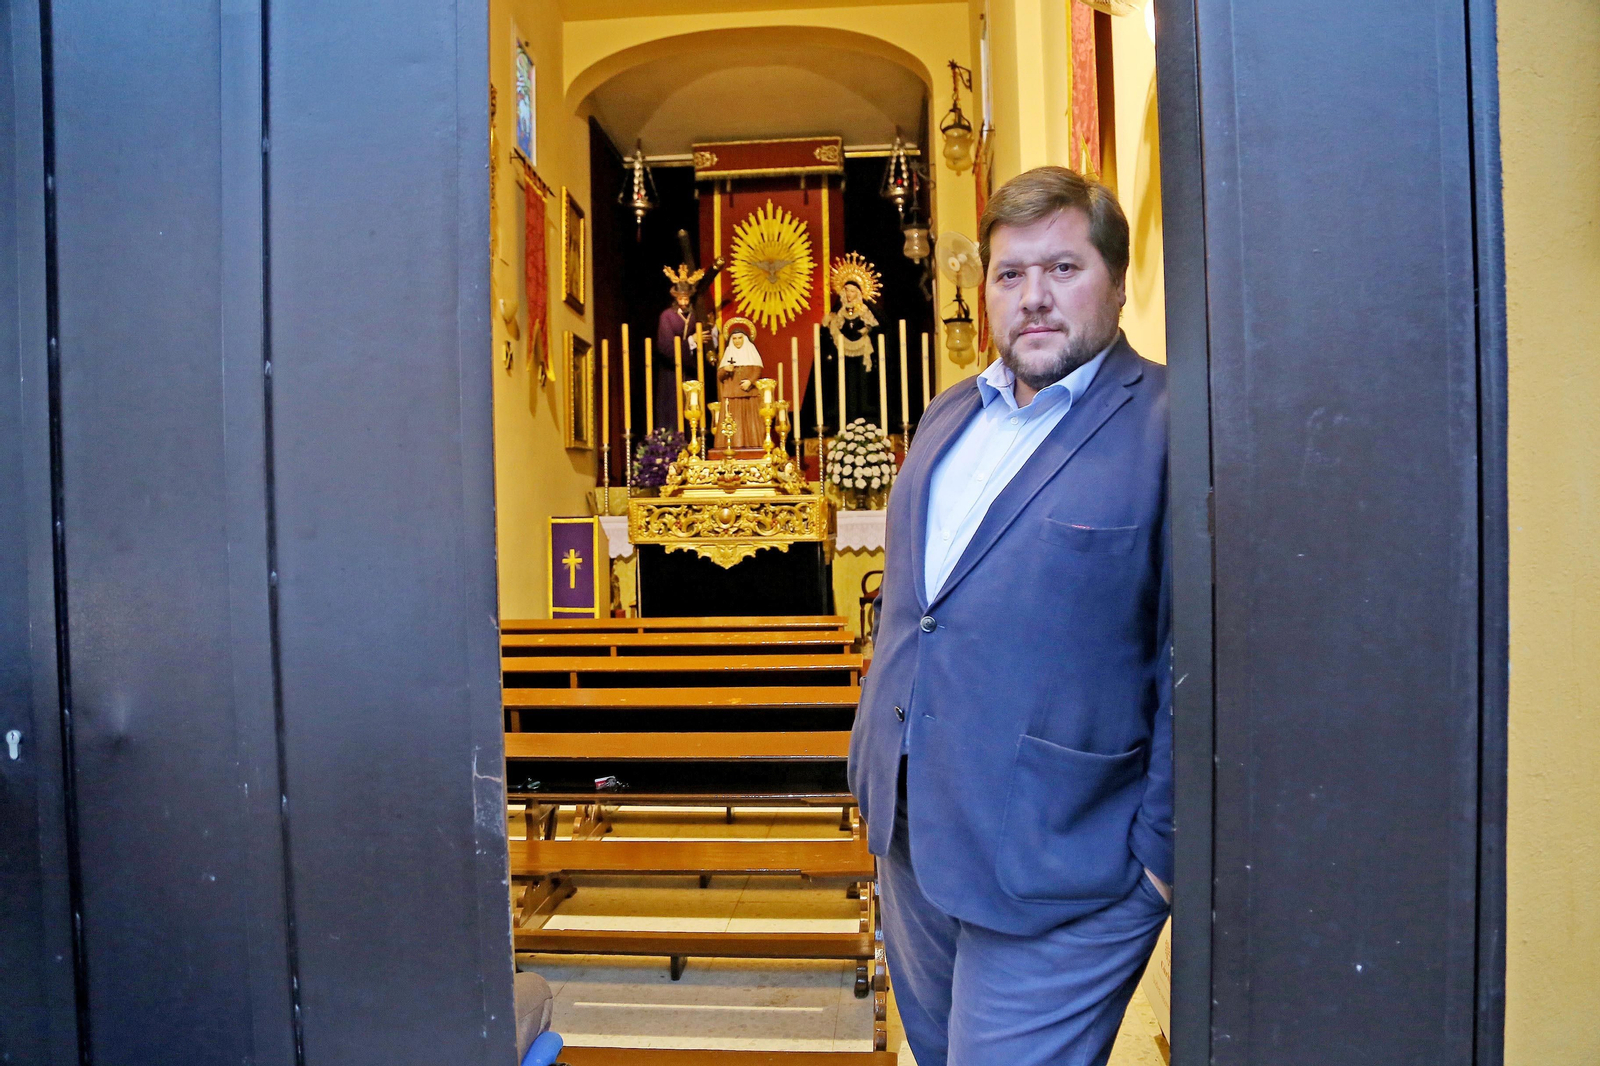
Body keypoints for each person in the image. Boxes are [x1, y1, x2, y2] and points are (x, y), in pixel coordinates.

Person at [847, 166, 1171, 1066]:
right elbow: (923, 613)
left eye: (1063, 270)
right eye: (1009, 274)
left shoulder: (1171, 426)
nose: (1033, 298)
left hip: (1063, 853)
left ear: (1116, 275)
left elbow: (1202, 658)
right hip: (914, 837)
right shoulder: (951, 414)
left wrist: (1160, 863)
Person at [714, 318, 766, 450]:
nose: (737, 341)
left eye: (740, 338)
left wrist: (750, 381)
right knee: (733, 420)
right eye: (735, 338)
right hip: (732, 395)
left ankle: (753, 445)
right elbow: (720, 376)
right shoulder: (728, 354)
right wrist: (726, 370)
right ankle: (730, 446)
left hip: (749, 395)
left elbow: (757, 370)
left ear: (745, 339)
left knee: (750, 421)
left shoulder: (751, 352)